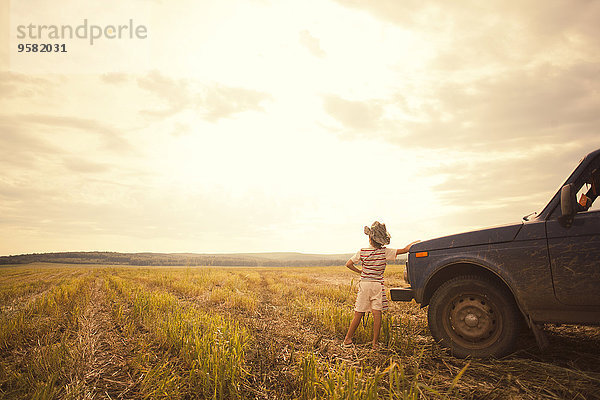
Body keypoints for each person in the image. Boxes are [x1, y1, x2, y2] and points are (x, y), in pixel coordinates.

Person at [343, 221, 419, 349]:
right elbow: (405, 250)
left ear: (370, 238)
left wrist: (360, 271)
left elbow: (348, 264)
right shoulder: (384, 252)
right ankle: (375, 343)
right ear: (382, 240)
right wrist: (414, 244)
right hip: (377, 285)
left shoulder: (362, 251)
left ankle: (347, 339)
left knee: (359, 312)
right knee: (377, 313)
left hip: (365, 284)